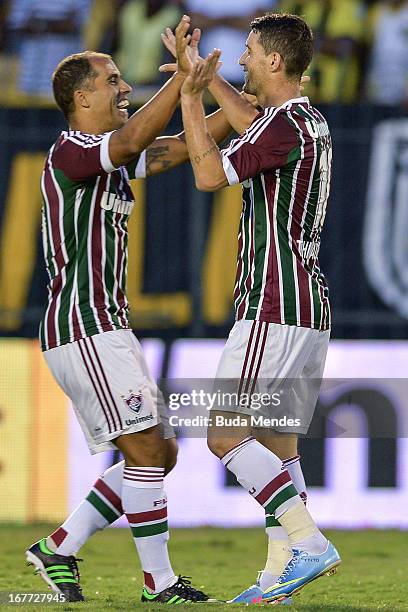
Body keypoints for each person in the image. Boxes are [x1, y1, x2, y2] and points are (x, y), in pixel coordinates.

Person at [25, 16, 235, 605]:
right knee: (145, 449)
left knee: (159, 453)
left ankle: (58, 548)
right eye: (113, 80)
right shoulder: (73, 151)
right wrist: (181, 82)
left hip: (107, 327)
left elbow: (170, 149)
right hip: (83, 326)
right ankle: (158, 583)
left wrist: (237, 102)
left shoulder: (110, 156)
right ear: (80, 96)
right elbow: (136, 139)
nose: (123, 88)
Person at [176, 12, 341, 604]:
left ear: (274, 60)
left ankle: (310, 542)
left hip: (272, 304)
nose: (241, 60)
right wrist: (206, 78)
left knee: (223, 435)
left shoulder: (285, 123)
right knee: (278, 449)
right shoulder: (305, 120)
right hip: (307, 306)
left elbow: (206, 175)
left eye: (247, 51)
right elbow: (250, 116)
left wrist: (193, 98)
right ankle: (277, 575)